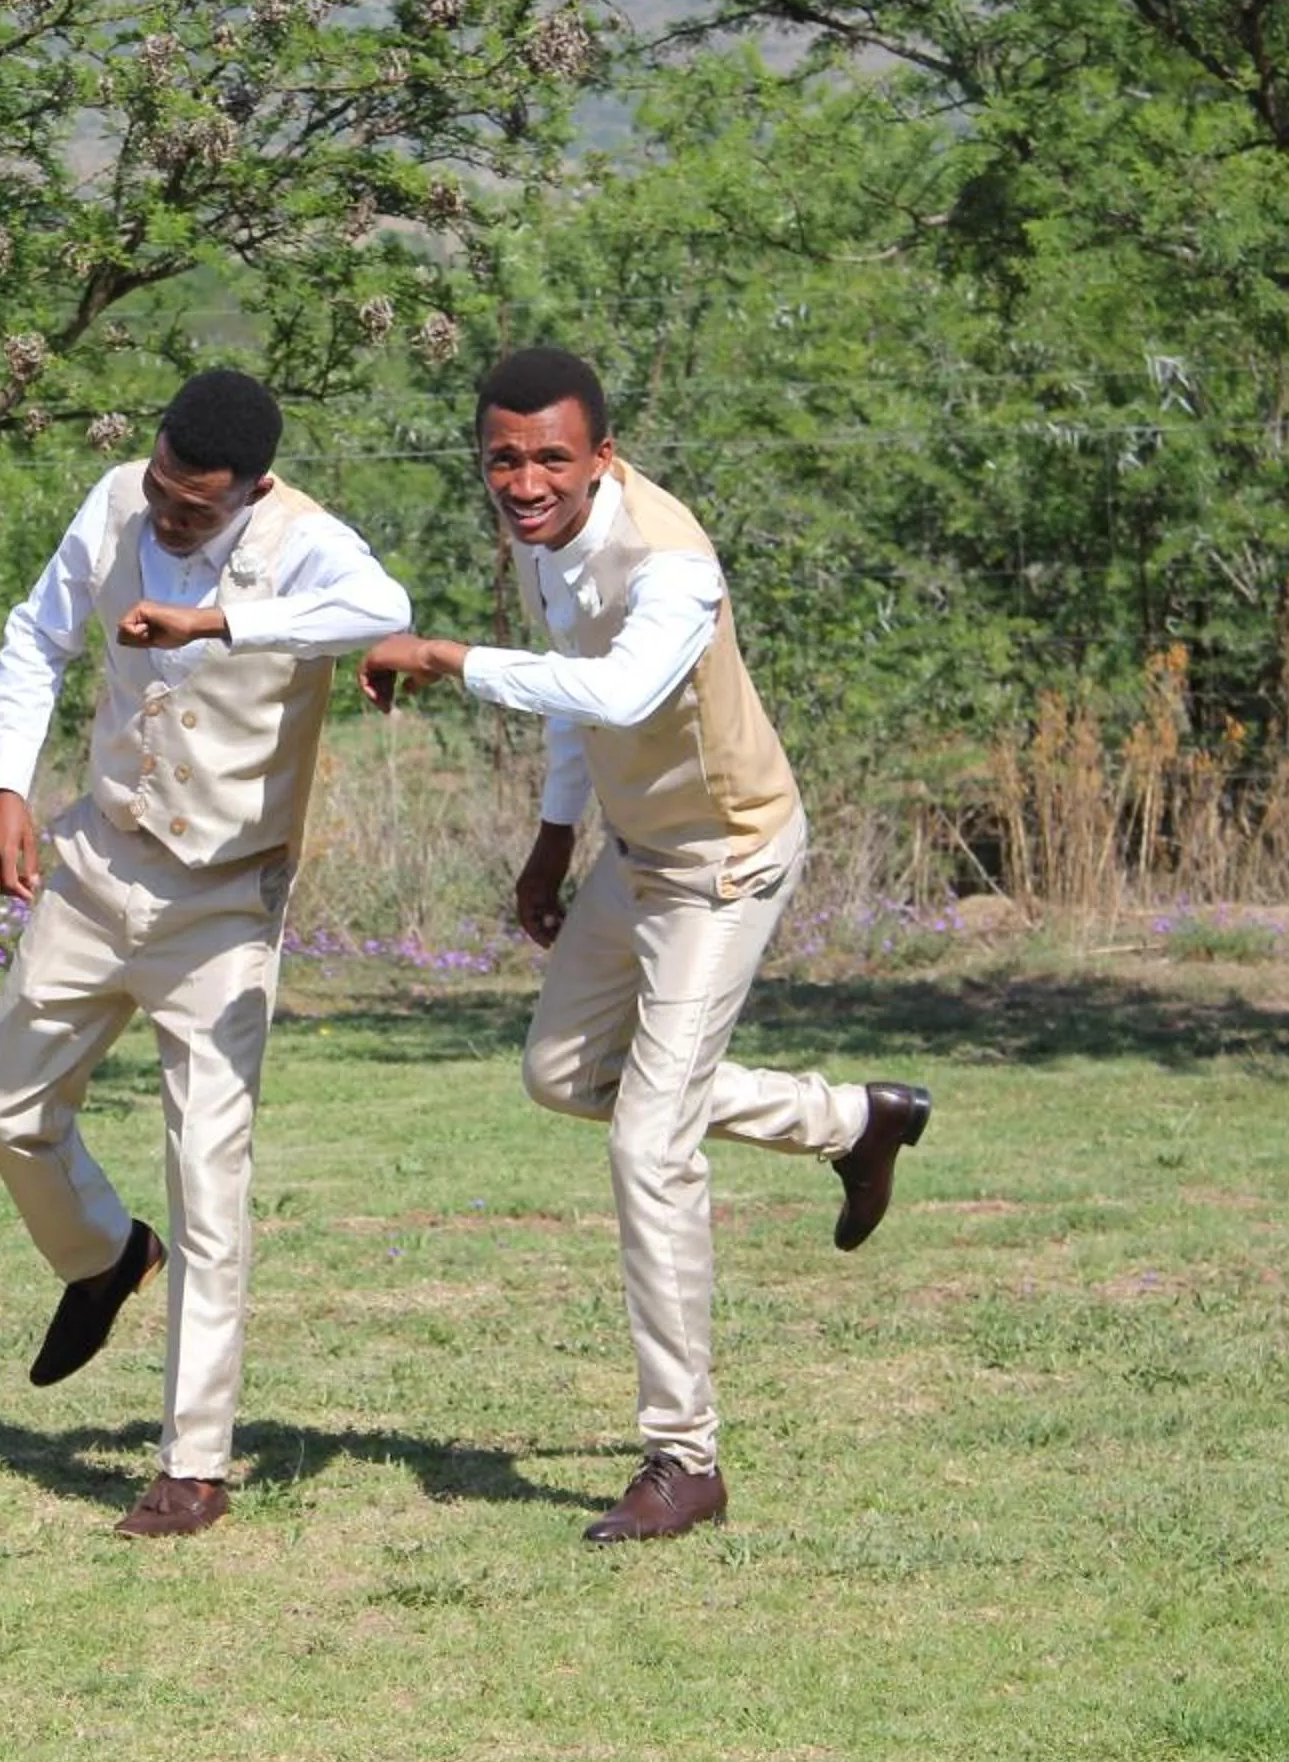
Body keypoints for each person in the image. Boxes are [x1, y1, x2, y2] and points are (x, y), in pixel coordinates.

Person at [356, 347, 929, 1545]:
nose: (524, 481)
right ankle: (850, 1121)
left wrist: (445, 656)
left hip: (725, 859)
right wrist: (552, 840)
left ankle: (685, 1458)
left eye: (552, 457)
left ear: (601, 457)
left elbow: (618, 689)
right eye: (503, 459)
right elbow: (575, 702)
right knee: (564, 1073)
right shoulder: (539, 534)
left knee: (647, 1140)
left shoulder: (673, 558)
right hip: (631, 852)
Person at [0, 368, 411, 1538]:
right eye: (162, 485)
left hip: (223, 899)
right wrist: (6, 781)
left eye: (194, 504)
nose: (166, 513)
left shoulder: (309, 545)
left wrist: (221, 618)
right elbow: (35, 637)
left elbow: (382, 607)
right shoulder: (116, 499)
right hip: (100, 859)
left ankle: (194, 1463)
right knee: (6, 1105)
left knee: (209, 1176)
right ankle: (106, 1257)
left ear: (252, 490)